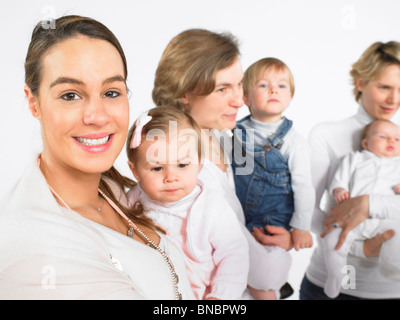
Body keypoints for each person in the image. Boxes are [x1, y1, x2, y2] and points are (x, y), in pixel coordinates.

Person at [0, 15, 195, 300]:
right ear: (33, 102)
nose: (98, 116)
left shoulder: (113, 190)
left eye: (111, 92)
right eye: (70, 95)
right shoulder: (39, 247)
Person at [152, 28, 293, 300]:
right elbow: (264, 274)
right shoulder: (183, 171)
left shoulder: (222, 137)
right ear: (184, 93)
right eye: (222, 89)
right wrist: (281, 250)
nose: (239, 100)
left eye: (239, 84)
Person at [300, 41, 400, 300]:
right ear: (360, 82)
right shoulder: (327, 135)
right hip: (329, 288)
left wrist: (370, 203)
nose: (394, 99)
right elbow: (303, 206)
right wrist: (358, 248)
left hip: (392, 288)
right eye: (384, 87)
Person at [125, 107, 249, 300]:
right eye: (157, 168)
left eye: (182, 165)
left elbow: (234, 254)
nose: (171, 177)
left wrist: (221, 296)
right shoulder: (132, 201)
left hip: (205, 295)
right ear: (135, 171)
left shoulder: (212, 206)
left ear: (199, 163)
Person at [231, 58, 314, 298]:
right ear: (245, 97)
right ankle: (274, 287)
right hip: (240, 218)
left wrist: (301, 227)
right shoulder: (233, 132)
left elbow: (304, 187)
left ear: (290, 97)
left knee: (264, 277)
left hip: (274, 221)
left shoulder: (293, 141)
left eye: (281, 86)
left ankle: (274, 289)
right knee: (239, 272)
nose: (273, 90)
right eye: (264, 85)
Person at [323, 119, 400, 298]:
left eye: (397, 140)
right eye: (383, 137)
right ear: (366, 143)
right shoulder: (355, 159)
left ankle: (394, 267)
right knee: (332, 240)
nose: (391, 142)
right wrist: (339, 189)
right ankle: (336, 274)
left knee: (397, 235)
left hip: (383, 222)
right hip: (350, 219)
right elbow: (339, 178)